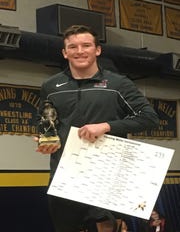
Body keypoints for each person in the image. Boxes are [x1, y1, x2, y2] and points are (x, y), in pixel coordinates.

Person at [35, 24, 159, 232]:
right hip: (65, 175)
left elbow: (149, 118)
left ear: (97, 50)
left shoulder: (118, 84)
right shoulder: (51, 86)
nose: (80, 51)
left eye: (86, 45)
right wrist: (44, 138)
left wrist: (107, 126)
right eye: (73, 47)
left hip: (107, 174)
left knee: (108, 227)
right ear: (65, 53)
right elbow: (46, 122)